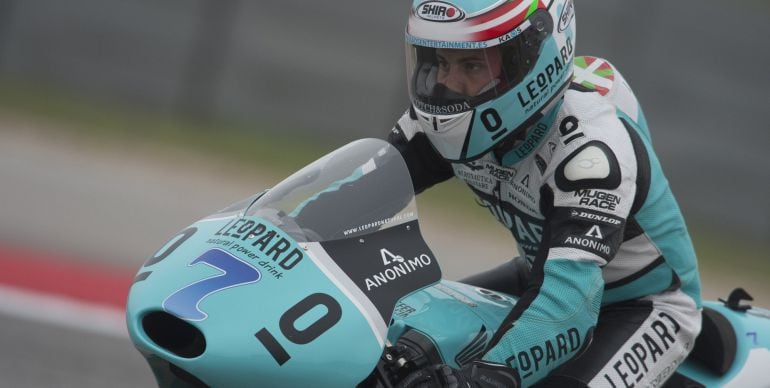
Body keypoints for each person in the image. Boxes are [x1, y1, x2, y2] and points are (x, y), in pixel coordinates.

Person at [389, 0, 702, 387]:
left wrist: (479, 381)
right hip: (544, 271)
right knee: (407, 333)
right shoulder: (441, 120)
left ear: (530, 60)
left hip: (642, 305)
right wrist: (294, 233)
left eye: (471, 66)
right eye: (441, 62)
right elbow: (363, 189)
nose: (447, 84)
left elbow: (569, 306)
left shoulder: (591, 148)